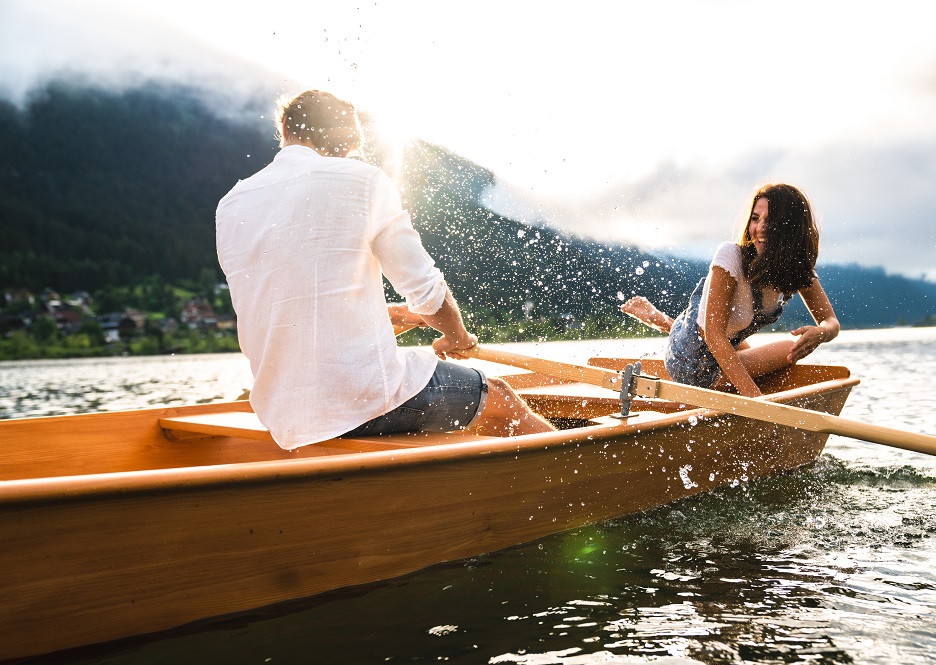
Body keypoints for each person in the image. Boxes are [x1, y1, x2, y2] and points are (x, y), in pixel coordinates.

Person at [216, 89, 554, 450]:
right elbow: (425, 289)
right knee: (498, 398)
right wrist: (457, 336)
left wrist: (396, 315)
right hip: (359, 399)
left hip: (281, 413)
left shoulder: (231, 202)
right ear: (345, 143)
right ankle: (573, 477)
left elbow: (295, 306)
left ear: (284, 128)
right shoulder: (360, 179)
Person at [620, 183, 840, 398]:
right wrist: (755, 399)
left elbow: (830, 321)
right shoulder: (730, 257)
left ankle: (663, 320)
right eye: (755, 219)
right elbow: (714, 335)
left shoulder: (796, 269)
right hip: (693, 366)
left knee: (742, 344)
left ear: (791, 228)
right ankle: (666, 325)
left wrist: (821, 333)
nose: (760, 228)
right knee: (788, 349)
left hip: (723, 342)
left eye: (771, 220)